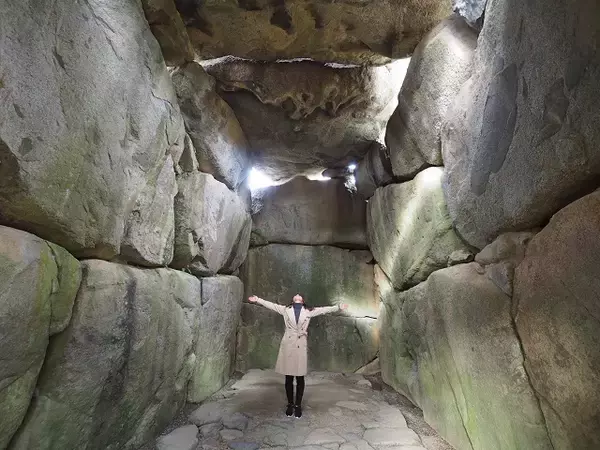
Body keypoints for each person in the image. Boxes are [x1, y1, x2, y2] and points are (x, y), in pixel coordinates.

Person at [247, 293, 349, 418]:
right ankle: (290, 404)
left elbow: (323, 310)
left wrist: (338, 307)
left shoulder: (309, 311)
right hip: (288, 344)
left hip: (300, 344)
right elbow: (271, 305)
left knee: (300, 377)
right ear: (292, 299)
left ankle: (298, 405)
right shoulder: (285, 309)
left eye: (300, 295)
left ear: (303, 300)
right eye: (295, 295)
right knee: (289, 377)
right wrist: (257, 300)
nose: (297, 295)